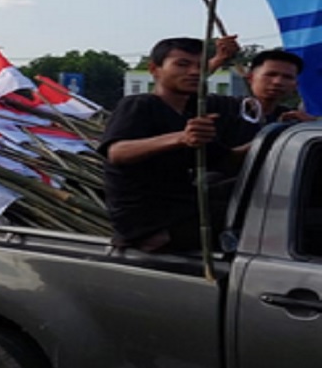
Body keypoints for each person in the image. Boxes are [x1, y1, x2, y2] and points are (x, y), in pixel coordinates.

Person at [100, 37, 248, 253]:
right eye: (182, 64)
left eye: (200, 66)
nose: (194, 72)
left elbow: (226, 159)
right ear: (155, 69)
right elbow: (116, 152)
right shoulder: (140, 104)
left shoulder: (192, 117)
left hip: (184, 209)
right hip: (153, 224)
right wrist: (180, 138)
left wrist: (270, 139)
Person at [234, 49, 315, 143]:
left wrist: (312, 126)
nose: (278, 82)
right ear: (251, 78)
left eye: (288, 77)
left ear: (295, 85)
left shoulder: (295, 121)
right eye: (271, 74)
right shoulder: (223, 107)